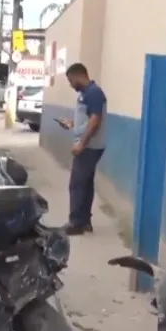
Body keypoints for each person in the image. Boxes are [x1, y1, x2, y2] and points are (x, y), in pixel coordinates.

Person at [57, 63, 107, 236]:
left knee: (77, 184)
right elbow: (87, 119)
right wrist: (72, 124)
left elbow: (95, 121)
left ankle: (76, 223)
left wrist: (82, 144)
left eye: (71, 81)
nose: (71, 85)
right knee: (85, 183)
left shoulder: (94, 93)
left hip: (90, 146)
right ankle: (85, 221)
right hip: (89, 145)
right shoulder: (87, 93)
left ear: (79, 76)